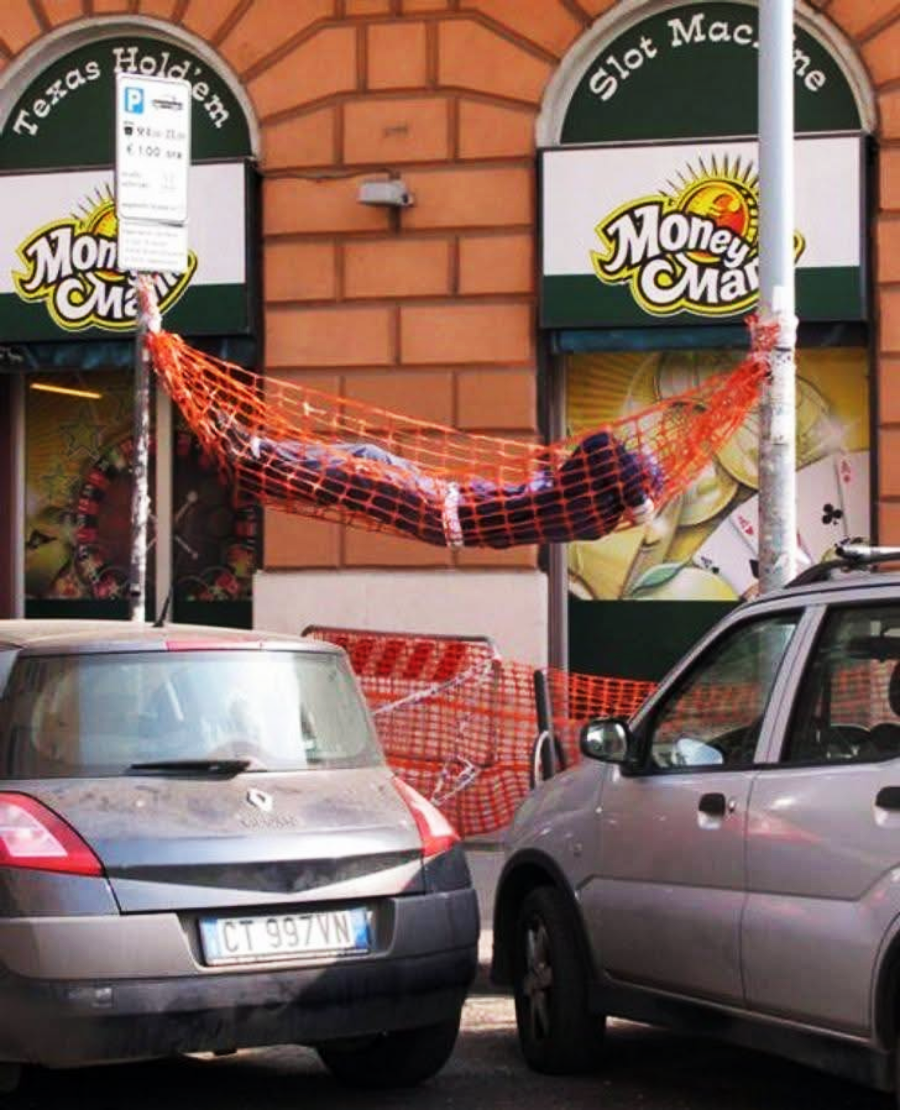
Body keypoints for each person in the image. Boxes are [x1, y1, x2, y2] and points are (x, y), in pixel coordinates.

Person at [213, 412, 663, 549]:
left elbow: (602, 444)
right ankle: (259, 464)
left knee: (357, 475)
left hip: (444, 512)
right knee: (366, 460)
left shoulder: (587, 508)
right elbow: (602, 454)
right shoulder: (586, 499)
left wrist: (639, 500)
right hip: (445, 502)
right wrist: (635, 495)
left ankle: (256, 457)